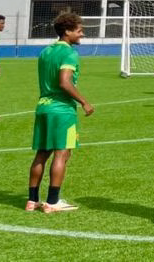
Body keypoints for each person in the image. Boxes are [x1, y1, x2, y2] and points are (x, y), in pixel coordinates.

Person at [26, 12, 95, 212]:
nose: (82, 34)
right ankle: (52, 201)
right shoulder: (69, 53)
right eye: (79, 31)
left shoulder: (46, 51)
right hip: (61, 109)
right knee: (62, 154)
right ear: (67, 31)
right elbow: (64, 82)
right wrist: (84, 102)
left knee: (41, 154)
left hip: (43, 106)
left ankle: (32, 200)